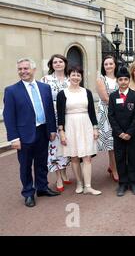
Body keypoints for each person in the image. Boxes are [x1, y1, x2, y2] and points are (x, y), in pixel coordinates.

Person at [3, 58, 60, 207]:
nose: (23, 72)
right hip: (23, 135)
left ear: (33, 70)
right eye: (20, 69)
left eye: (26, 68)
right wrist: (14, 138)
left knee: (42, 163)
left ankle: (42, 188)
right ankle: (28, 193)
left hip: (43, 131)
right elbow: (9, 116)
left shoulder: (44, 88)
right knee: (25, 166)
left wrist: (52, 129)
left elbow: (49, 111)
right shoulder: (11, 91)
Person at [57, 66, 101, 195]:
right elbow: (60, 115)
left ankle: (88, 186)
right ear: (69, 76)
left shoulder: (86, 92)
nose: (75, 77)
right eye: (73, 75)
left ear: (81, 77)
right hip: (70, 125)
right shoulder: (62, 94)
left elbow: (92, 112)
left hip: (86, 124)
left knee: (87, 157)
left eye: (78, 75)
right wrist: (62, 132)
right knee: (75, 157)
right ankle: (79, 183)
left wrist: (95, 128)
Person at [108, 66, 135, 196]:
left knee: (132, 158)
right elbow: (111, 116)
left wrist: (129, 132)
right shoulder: (113, 96)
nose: (123, 82)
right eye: (120, 79)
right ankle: (122, 183)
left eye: (125, 79)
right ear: (117, 81)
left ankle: (133, 182)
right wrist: (120, 133)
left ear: (129, 80)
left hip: (131, 134)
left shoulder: (134, 95)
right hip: (118, 135)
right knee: (120, 158)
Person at [41, 54, 71, 192]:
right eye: (55, 62)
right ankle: (58, 176)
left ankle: (64, 172)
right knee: (54, 147)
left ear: (65, 63)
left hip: (68, 117)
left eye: (60, 61)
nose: (58, 64)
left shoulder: (70, 79)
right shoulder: (46, 79)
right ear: (51, 65)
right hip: (53, 118)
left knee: (66, 146)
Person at [96, 55, 119, 182]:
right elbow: (105, 98)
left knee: (118, 142)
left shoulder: (119, 78)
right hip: (106, 113)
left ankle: (112, 166)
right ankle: (114, 169)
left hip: (120, 113)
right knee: (111, 143)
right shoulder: (101, 79)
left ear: (115, 64)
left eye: (111, 63)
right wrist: (121, 106)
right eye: (106, 64)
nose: (109, 66)